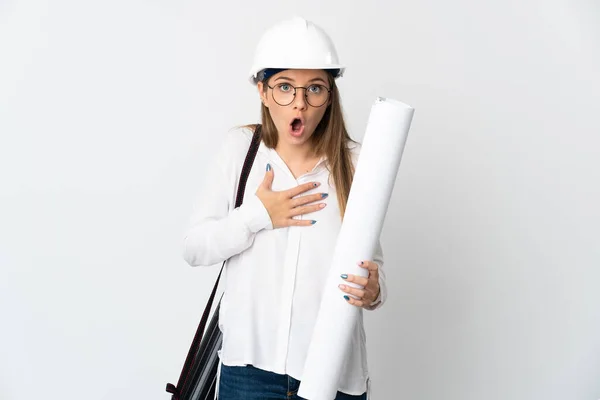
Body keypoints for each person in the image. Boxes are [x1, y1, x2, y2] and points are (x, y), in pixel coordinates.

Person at [183, 16, 387, 400]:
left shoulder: (358, 163)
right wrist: (257, 215)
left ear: (330, 94)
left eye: (314, 88)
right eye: (284, 87)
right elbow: (194, 247)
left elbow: (371, 264)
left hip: (332, 373)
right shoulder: (240, 150)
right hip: (248, 375)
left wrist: (375, 290)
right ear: (262, 91)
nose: (300, 103)